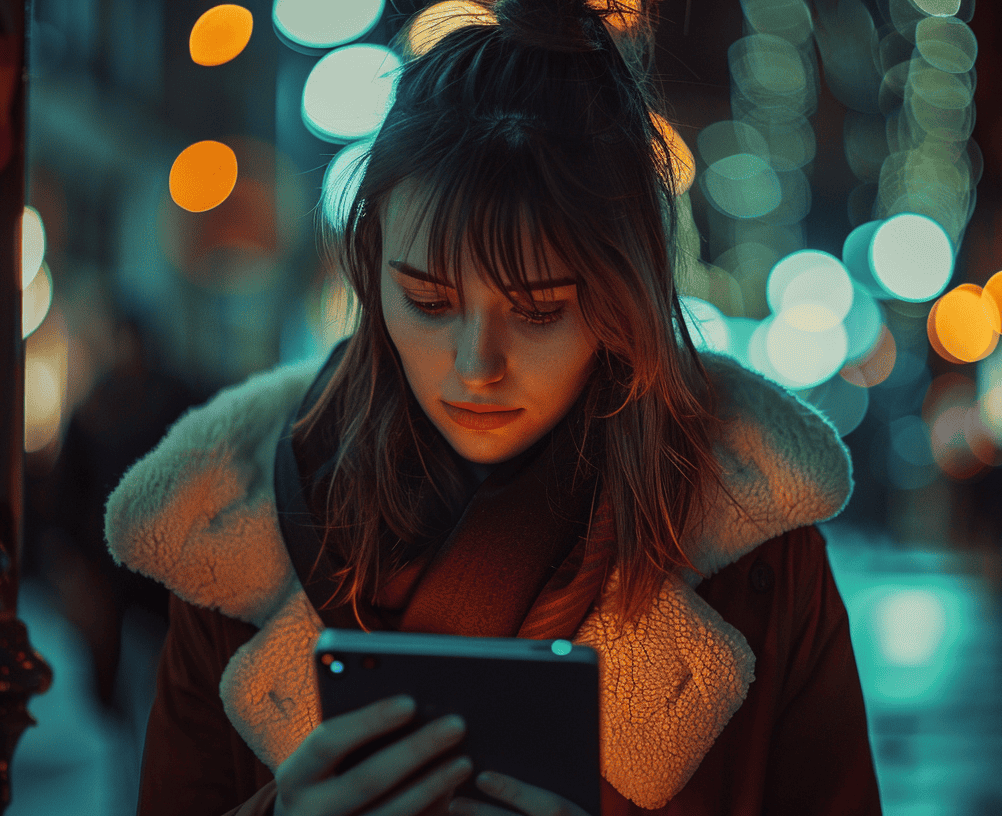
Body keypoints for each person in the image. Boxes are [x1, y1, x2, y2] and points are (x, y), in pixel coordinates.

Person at [104, 0, 881, 813]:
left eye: (539, 310)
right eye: (428, 302)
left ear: (622, 304)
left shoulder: (761, 562)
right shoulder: (232, 531)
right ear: (372, 273)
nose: (477, 365)